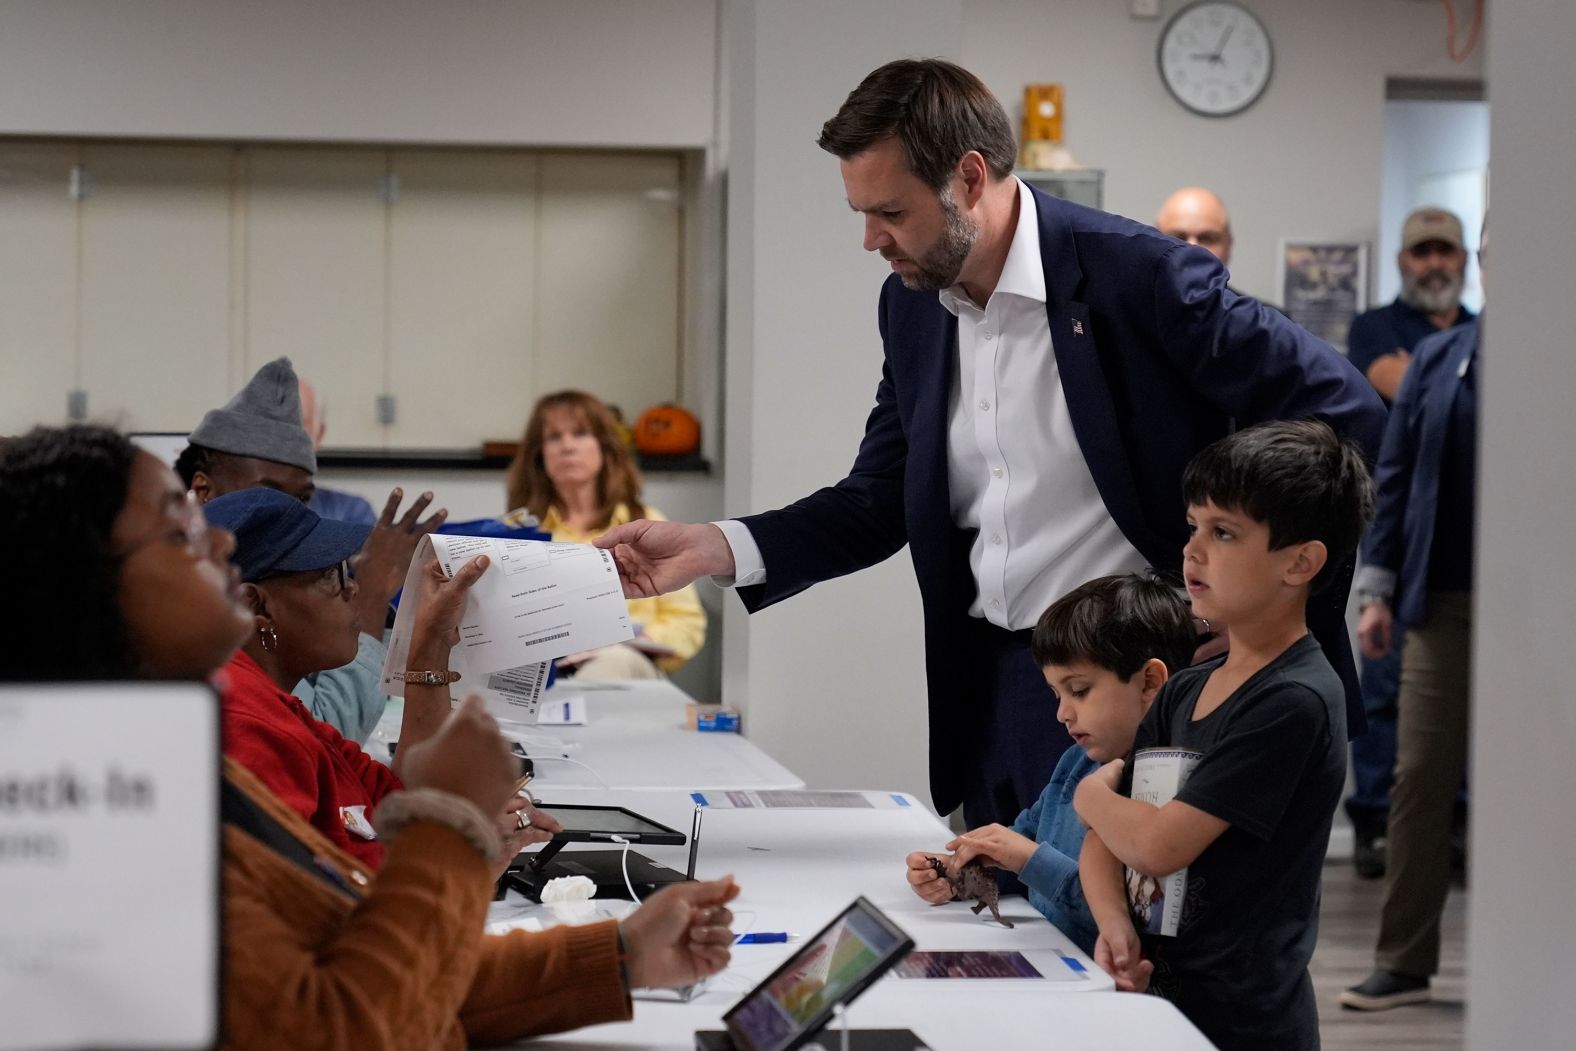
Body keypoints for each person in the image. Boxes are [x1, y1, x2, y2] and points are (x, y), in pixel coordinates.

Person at [594, 58, 1385, 831]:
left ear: (970, 178)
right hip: (993, 688)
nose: (871, 239)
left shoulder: (1142, 276)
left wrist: (1264, 600)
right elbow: (878, 499)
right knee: (1009, 939)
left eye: (892, 213)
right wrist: (711, 546)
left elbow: (1348, 411)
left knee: (1135, 951)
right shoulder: (911, 308)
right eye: (861, 213)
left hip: (1144, 681)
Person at [0, 423, 741, 1048]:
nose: (217, 544)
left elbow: (367, 963)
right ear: (86, 585)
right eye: (179, 529)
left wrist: (619, 954)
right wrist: (449, 824)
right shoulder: (99, 822)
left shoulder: (165, 767)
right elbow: (352, 1026)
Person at [1074, 419, 1375, 1050]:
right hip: (1159, 997)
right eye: (1194, 527)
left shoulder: (1293, 701)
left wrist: (1091, 796)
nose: (1193, 551)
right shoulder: (1186, 687)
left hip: (1244, 1021)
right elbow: (1105, 844)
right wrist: (1114, 925)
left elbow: (1154, 844)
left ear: (1300, 561)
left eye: (1225, 532)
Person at [203, 486, 534, 873]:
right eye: (329, 575)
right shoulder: (251, 728)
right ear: (255, 605)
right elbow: (326, 908)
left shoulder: (278, 706)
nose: (352, 587)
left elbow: (400, 802)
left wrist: (432, 642)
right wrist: (462, 856)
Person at [1339, 228, 1485, 1013]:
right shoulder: (1442, 355)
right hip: (1444, 601)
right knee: (1420, 776)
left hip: (1543, 610)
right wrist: (1378, 591)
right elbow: (1392, 478)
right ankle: (1403, 958)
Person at [902, 574, 1196, 954]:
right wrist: (958, 872)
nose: (1062, 714)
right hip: (1048, 960)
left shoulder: (1169, 787)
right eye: (1056, 694)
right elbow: (1024, 840)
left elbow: (1136, 922)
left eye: (1079, 691)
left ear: (1149, 682)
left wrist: (1029, 860)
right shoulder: (1077, 761)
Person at [177, 356, 444, 743]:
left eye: (302, 498)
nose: (290, 513)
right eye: (268, 493)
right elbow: (321, 735)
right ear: (204, 492)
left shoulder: (278, 574)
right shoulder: (204, 603)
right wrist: (370, 593)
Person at [503, 390, 706, 679]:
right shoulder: (516, 531)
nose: (567, 446)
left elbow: (686, 622)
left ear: (604, 446)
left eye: (580, 433)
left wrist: (642, 639)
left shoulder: (645, 522)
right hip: (543, 667)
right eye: (554, 437)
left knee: (609, 663)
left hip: (625, 663)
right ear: (539, 454)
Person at [298, 375, 377, 526]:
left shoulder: (351, 514)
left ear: (318, 435)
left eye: (296, 422)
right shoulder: (241, 513)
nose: (281, 434)